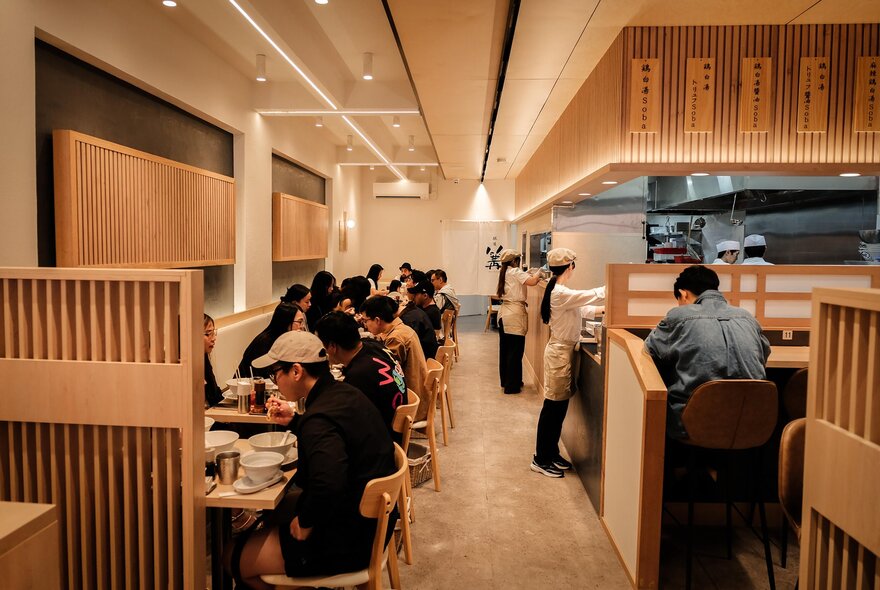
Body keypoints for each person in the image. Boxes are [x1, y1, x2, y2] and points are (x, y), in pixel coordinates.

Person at [232, 331, 397, 588]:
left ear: (296, 372)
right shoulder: (344, 393)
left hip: (349, 539)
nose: (274, 379)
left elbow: (328, 484)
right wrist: (296, 421)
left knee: (232, 558)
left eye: (276, 372)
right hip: (373, 525)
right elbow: (337, 439)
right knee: (279, 510)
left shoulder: (319, 418)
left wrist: (307, 522)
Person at [644, 265, 770, 439]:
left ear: (683, 294)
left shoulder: (679, 316)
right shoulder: (747, 317)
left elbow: (650, 351)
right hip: (752, 421)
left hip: (693, 423)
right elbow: (764, 355)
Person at [532, 248, 605, 478]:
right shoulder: (560, 292)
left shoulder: (560, 291)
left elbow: (583, 308)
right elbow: (592, 295)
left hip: (562, 354)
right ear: (570, 266)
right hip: (559, 355)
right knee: (552, 408)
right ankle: (541, 459)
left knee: (559, 408)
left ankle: (551, 453)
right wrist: (616, 284)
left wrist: (604, 309)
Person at [314, 311, 407, 438]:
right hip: (394, 425)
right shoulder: (373, 345)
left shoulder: (358, 375)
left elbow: (347, 421)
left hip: (383, 440)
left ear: (332, 346)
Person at [360, 296, 429, 422]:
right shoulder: (400, 328)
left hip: (409, 405)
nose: (365, 324)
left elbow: (385, 372)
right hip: (415, 393)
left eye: (365, 320)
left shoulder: (395, 338)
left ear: (377, 320)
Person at [496, 249, 541, 394]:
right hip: (515, 315)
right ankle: (512, 386)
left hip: (504, 314)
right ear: (515, 261)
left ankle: (506, 381)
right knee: (515, 351)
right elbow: (533, 282)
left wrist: (529, 273)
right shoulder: (515, 271)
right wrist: (539, 272)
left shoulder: (505, 272)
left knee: (505, 350)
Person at [237, 302, 304, 379]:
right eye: (299, 322)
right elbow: (264, 377)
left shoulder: (287, 339)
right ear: (286, 321)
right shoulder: (265, 342)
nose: (302, 326)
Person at [399, 279, 439, 360]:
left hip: (424, 357)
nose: (414, 297)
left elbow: (411, 337)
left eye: (416, 294)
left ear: (425, 296)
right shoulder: (424, 309)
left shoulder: (431, 313)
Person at [203, 313, 223, 407]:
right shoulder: (183, 368)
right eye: (208, 334)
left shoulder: (204, 358)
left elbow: (214, 393)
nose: (214, 339)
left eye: (213, 333)